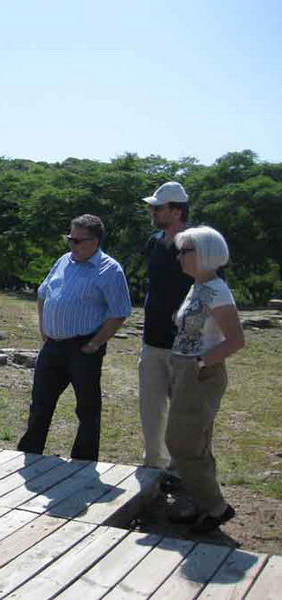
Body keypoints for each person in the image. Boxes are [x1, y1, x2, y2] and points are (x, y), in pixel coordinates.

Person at [17, 214, 132, 461]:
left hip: (83, 347)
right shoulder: (63, 261)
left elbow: (119, 312)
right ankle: (29, 453)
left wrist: (94, 344)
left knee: (87, 408)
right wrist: (44, 327)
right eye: (70, 239)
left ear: (96, 241)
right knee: (40, 404)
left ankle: (83, 461)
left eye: (79, 241)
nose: (73, 245)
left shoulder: (110, 270)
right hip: (53, 346)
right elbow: (42, 293)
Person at [166, 225, 244, 533]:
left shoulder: (215, 290)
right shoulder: (199, 286)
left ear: (206, 254)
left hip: (199, 375)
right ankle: (203, 503)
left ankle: (216, 507)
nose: (180, 257)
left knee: (181, 442)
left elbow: (235, 340)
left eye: (186, 251)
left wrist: (199, 363)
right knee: (196, 444)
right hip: (186, 372)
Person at [139, 182, 193, 484]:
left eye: (157, 207)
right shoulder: (154, 241)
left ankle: (183, 469)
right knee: (151, 407)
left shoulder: (197, 244)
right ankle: (153, 464)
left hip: (185, 345)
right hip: (152, 340)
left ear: (176, 211)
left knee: (184, 412)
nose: (152, 211)